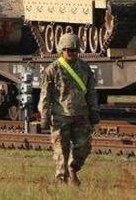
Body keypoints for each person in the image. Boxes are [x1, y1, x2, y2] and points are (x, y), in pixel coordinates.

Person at [38, 33, 100, 186]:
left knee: (84, 147)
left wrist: (94, 110)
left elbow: (91, 92)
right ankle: (62, 180)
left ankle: (73, 168)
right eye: (68, 50)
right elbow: (45, 95)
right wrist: (44, 115)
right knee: (61, 151)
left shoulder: (84, 68)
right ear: (61, 50)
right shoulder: (53, 69)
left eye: (74, 50)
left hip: (81, 115)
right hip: (60, 116)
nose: (71, 53)